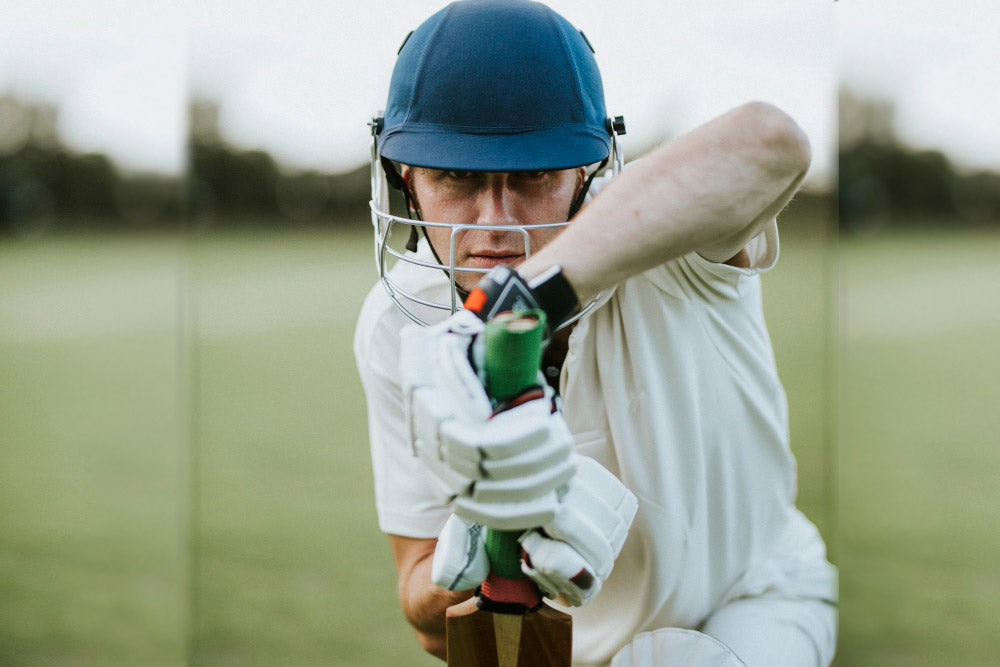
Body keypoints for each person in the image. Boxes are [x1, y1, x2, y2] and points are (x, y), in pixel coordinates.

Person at [354, 1, 838, 665]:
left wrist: (514, 299)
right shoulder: (396, 322)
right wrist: (488, 549)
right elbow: (424, 618)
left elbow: (775, 140)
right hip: (580, 649)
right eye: (456, 176)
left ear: (588, 171)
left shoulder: (662, 231)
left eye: (534, 176)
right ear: (404, 178)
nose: (495, 222)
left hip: (751, 597)